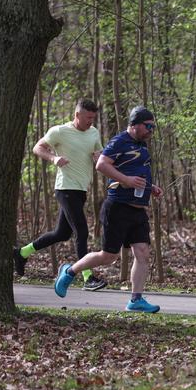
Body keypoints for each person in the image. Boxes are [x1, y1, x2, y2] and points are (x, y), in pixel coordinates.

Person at [54, 105, 163, 313]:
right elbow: (101, 164)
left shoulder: (142, 146)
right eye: (148, 126)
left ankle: (136, 300)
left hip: (138, 209)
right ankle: (69, 271)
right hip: (118, 208)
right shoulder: (119, 141)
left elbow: (136, 175)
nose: (151, 131)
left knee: (142, 252)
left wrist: (151, 188)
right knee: (108, 256)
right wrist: (126, 180)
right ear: (135, 124)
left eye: (153, 127)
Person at [14, 99, 108, 291]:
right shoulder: (60, 131)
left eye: (93, 118)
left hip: (81, 189)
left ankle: (22, 253)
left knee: (62, 233)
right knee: (81, 231)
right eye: (88, 117)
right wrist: (54, 158)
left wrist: (99, 157)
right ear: (77, 115)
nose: (91, 121)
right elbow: (38, 147)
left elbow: (98, 153)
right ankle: (87, 277)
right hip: (65, 188)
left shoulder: (94, 132)